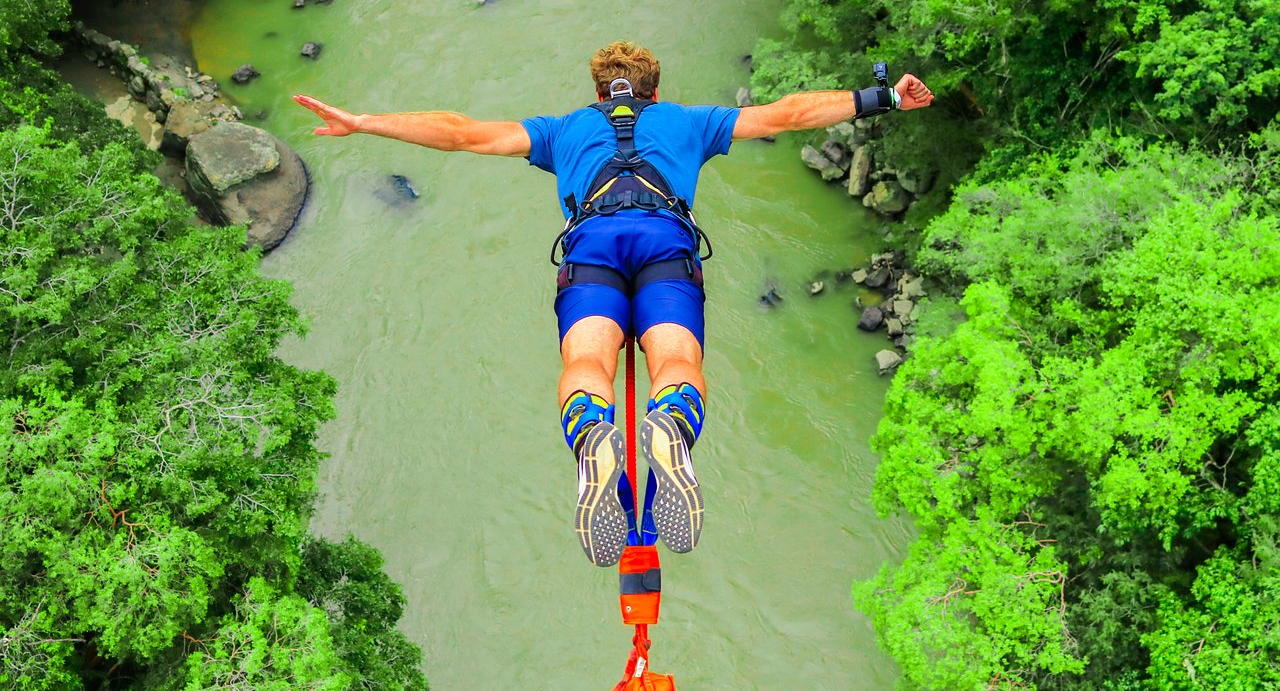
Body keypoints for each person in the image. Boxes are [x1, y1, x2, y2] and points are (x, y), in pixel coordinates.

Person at [294, 41, 933, 568]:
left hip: (592, 249)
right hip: (665, 245)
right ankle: (672, 428)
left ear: (599, 93)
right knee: (676, 357)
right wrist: (878, 97)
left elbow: (460, 133)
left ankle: (592, 436)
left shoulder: (561, 130)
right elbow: (788, 114)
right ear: (656, 89)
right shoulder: (690, 121)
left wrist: (365, 121)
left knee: (588, 363)